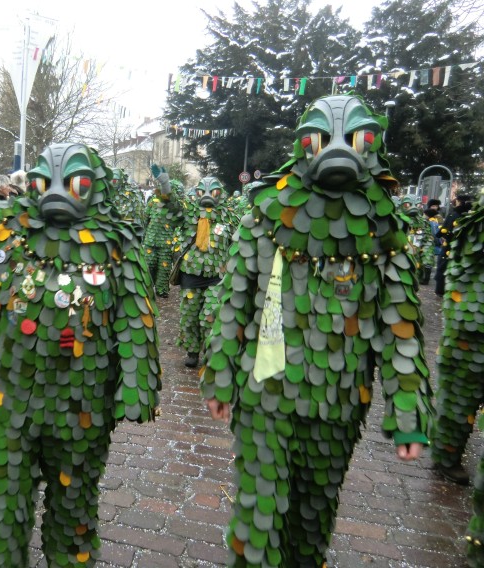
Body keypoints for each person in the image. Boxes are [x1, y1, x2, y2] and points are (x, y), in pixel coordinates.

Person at [200, 95, 431, 567]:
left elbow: (400, 329)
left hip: (339, 403)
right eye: (321, 138)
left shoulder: (386, 228)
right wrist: (220, 373)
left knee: (312, 521)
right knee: (257, 519)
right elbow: (234, 298)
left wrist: (408, 413)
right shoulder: (266, 215)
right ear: (303, 146)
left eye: (359, 137)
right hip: (265, 392)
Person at [0, 138, 162, 567]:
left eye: (74, 181)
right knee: (2, 499)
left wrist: (137, 382)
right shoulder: (7, 230)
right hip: (9, 396)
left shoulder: (116, 245)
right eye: (43, 181)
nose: (55, 192)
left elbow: (135, 314)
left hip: (81, 403)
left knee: (73, 504)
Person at [152, 168, 238, 367]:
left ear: (220, 193)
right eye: (202, 191)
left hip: (217, 276)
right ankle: (192, 352)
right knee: (189, 316)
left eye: (213, 191)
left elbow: (238, 241)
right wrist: (164, 183)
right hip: (191, 274)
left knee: (210, 315)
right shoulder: (188, 212)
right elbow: (171, 205)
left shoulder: (229, 217)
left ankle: (210, 350)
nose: (207, 196)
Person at [431, 188, 484, 487]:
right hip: (471, 336)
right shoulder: (474, 229)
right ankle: (446, 455)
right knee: (458, 403)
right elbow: (460, 275)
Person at [435, 193, 473, 296]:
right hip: (463, 247)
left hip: (449, 245)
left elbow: (444, 229)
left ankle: (441, 290)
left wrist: (440, 235)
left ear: (459, 201)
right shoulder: (471, 215)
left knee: (442, 266)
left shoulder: (454, 213)